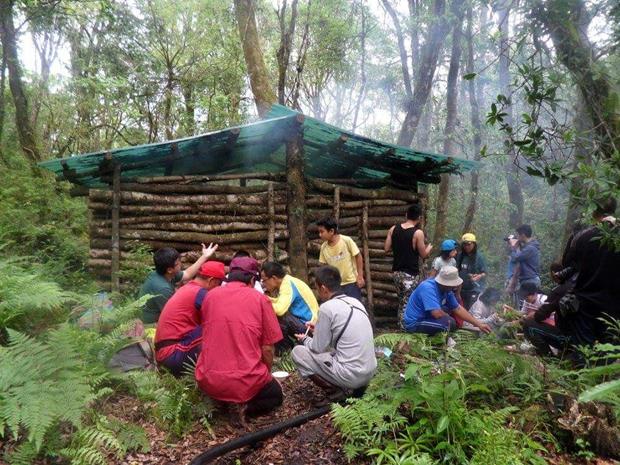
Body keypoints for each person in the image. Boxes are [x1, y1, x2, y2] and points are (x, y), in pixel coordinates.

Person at [195, 257, 283, 421]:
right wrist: (267, 374)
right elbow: (268, 348)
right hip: (244, 381)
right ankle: (247, 409)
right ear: (251, 279)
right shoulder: (260, 299)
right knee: (276, 395)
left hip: (208, 379)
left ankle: (220, 401)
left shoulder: (210, 296)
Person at [292, 266, 376, 401]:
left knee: (298, 353)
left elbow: (317, 348)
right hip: (369, 372)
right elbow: (344, 335)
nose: (318, 292)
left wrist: (305, 339)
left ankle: (335, 392)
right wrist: (318, 330)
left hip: (352, 375)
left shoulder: (326, 308)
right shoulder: (356, 302)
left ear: (323, 288)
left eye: (317, 288)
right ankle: (354, 388)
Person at [154, 261, 225, 376]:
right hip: (172, 354)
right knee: (219, 325)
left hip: (165, 352)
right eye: (219, 283)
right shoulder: (201, 293)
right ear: (212, 281)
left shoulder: (188, 288)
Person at [139, 243, 219, 324]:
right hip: (151, 323)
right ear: (170, 270)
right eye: (178, 263)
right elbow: (171, 314)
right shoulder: (163, 288)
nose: (180, 264)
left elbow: (187, 274)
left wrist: (205, 256)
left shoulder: (164, 274)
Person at [403, 266, 492, 335]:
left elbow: (458, 309)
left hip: (427, 318)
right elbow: (436, 314)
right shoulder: (428, 288)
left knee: (450, 319)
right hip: (416, 323)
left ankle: (437, 339)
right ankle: (432, 341)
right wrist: (447, 316)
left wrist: (478, 324)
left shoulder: (447, 290)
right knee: (449, 323)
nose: (455, 286)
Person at [384, 204, 433, 327]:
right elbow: (423, 255)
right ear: (419, 218)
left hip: (396, 272)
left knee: (402, 300)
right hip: (410, 273)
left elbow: (386, 248)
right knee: (408, 301)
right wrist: (429, 248)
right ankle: (404, 328)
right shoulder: (418, 233)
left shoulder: (393, 229)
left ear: (406, 215)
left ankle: (402, 326)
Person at [260, 261, 319, 352]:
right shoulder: (288, 281)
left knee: (280, 316)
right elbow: (279, 302)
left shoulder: (287, 285)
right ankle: (288, 350)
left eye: (264, 280)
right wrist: (264, 298)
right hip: (307, 325)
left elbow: (279, 309)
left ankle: (284, 351)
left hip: (310, 329)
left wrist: (262, 301)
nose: (263, 284)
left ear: (274, 278)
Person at [521, 262, 576, 356]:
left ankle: (549, 359)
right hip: (585, 336)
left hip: (569, 338)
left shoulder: (559, 291)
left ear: (554, 274)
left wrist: (533, 315)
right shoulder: (580, 285)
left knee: (529, 325)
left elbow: (541, 314)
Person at [317, 217, 365, 300]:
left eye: (322, 232)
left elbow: (358, 256)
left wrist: (360, 276)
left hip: (351, 282)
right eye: (319, 232)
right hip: (335, 286)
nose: (320, 235)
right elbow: (324, 266)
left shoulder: (346, 241)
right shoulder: (323, 247)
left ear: (331, 231)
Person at [509, 224, 541, 307]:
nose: (517, 237)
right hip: (528, 280)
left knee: (524, 308)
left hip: (530, 281)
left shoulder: (530, 248)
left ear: (523, 235)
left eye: (518, 235)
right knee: (524, 307)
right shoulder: (528, 247)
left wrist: (513, 247)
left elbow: (515, 258)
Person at [456, 233, 487, 309]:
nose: (466, 247)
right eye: (464, 244)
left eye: (469, 244)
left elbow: (485, 272)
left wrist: (479, 276)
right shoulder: (460, 256)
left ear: (474, 244)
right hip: (461, 289)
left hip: (474, 290)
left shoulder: (479, 257)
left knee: (471, 310)